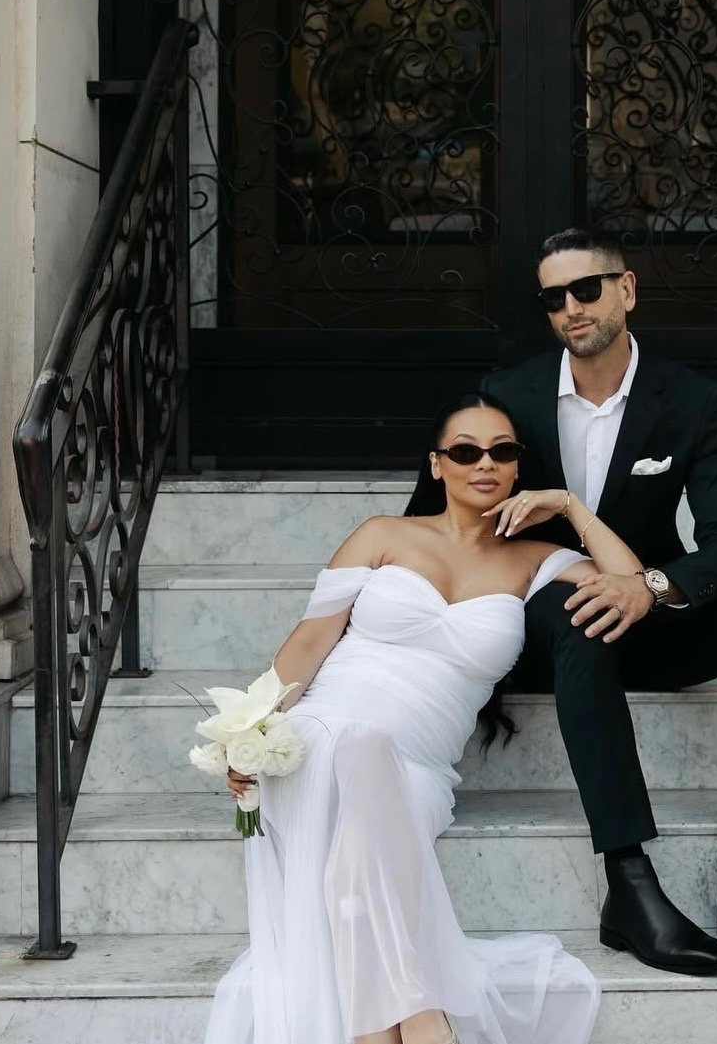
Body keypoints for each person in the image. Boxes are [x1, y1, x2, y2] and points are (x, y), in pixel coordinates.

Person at [204, 389, 643, 1044]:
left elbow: (631, 580)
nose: (483, 463)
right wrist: (250, 735)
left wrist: (569, 505)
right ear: (436, 464)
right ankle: (422, 1017)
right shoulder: (382, 534)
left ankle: (375, 1029)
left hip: (418, 769)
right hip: (320, 735)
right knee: (358, 740)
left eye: (502, 450)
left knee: (373, 769)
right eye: (465, 450)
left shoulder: (532, 561)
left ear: (519, 466)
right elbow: (307, 643)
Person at [481, 228, 717, 977]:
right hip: (555, 623)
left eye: (586, 289)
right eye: (552, 297)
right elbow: (451, 520)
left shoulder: (690, 400)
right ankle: (628, 882)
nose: (570, 307)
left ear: (626, 290)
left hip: (650, 609)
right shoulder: (509, 397)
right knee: (581, 606)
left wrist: (654, 587)